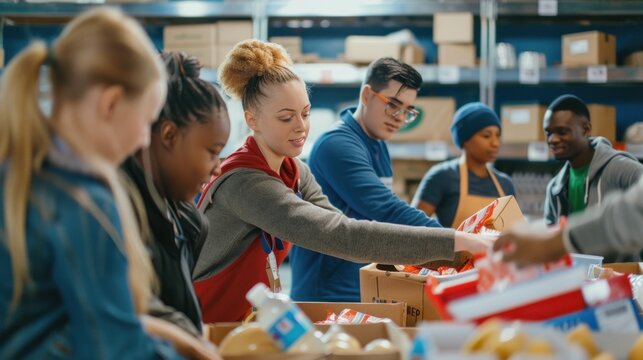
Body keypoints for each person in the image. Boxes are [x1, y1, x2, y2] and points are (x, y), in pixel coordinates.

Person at [192, 40, 494, 323]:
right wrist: (456, 243)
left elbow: (337, 223)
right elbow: (341, 234)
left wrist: (456, 259)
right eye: (286, 118)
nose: (301, 127)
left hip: (247, 321)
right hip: (208, 322)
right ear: (252, 120)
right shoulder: (245, 183)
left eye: (306, 113)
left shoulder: (295, 170)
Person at [0, 8, 214, 359]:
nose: (145, 139)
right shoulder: (83, 203)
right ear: (111, 103)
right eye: (147, 120)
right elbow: (117, 349)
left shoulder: (20, 174)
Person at [289, 57, 444, 303]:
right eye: (393, 105)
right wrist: (454, 241)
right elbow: (384, 208)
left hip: (360, 287)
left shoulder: (377, 144)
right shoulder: (337, 145)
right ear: (367, 95)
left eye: (408, 111)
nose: (400, 118)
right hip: (325, 295)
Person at [121, 51, 230, 335]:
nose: (217, 168)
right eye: (212, 152)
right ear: (169, 135)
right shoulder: (116, 210)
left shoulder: (188, 221)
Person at [542, 94, 643, 261]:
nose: (553, 140)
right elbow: (551, 236)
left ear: (585, 129)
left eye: (562, 132)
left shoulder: (619, 168)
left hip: (620, 279)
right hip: (579, 280)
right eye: (548, 133)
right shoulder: (555, 187)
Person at [494, 177, 643, 267]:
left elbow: (632, 213)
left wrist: (550, 245)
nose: (554, 139)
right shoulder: (556, 184)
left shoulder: (618, 166)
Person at [412, 102, 515, 229]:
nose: (495, 143)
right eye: (486, 136)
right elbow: (414, 229)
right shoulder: (442, 177)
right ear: (465, 139)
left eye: (498, 135)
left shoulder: (505, 184)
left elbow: (513, 232)